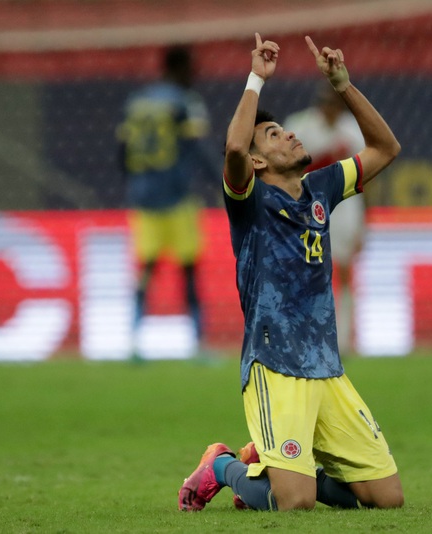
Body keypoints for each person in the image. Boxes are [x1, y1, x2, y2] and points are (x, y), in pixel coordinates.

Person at [177, 33, 404, 512]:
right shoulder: (250, 200)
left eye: (285, 128)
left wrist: (343, 85)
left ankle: (280, 462)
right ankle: (222, 465)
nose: (289, 134)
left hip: (327, 367)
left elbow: (386, 147)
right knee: (294, 503)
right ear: (258, 161)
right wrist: (257, 76)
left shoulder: (321, 187)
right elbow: (235, 146)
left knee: (387, 498)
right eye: (274, 134)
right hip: (274, 365)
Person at [117, 44, 218, 358]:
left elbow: (121, 151)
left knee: (146, 267)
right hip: (177, 196)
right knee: (188, 268)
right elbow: (199, 148)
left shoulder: (137, 102)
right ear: (181, 68)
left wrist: (134, 182)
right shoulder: (186, 102)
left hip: (143, 197)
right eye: (192, 67)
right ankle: (199, 343)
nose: (196, 74)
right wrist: (223, 183)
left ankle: (133, 341)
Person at [284, 82, 366, 354]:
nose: (329, 108)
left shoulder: (352, 130)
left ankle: (343, 339)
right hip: (308, 207)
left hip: (346, 209)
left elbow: (366, 178)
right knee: (308, 270)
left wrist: (366, 223)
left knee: (343, 271)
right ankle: (307, 333)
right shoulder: (300, 127)